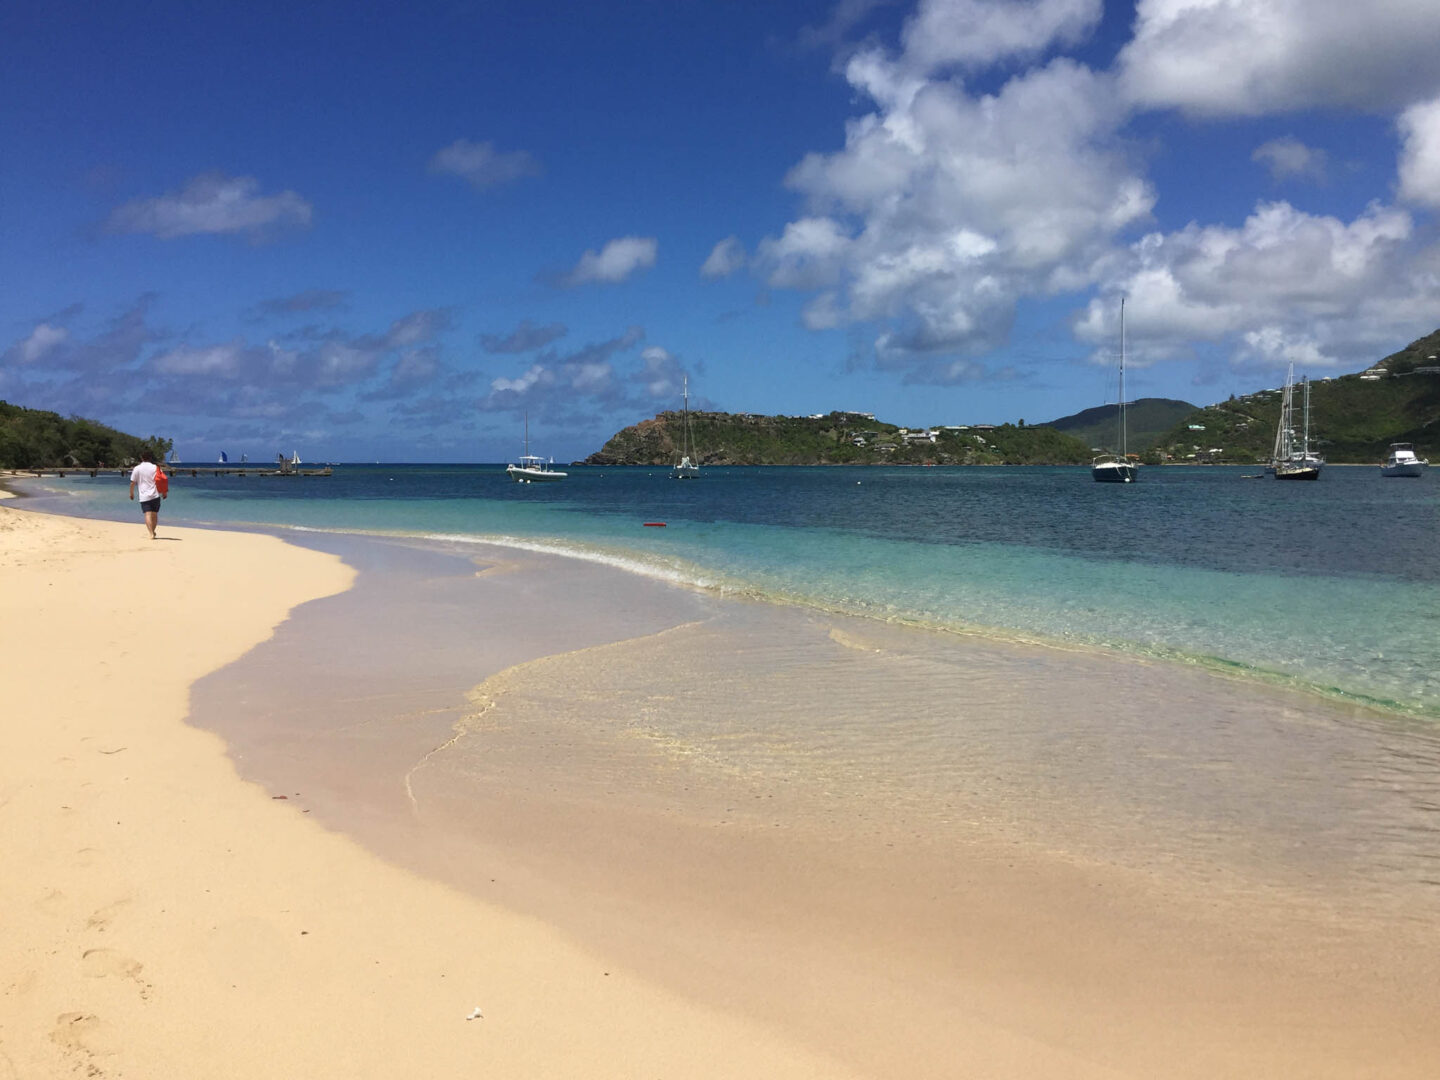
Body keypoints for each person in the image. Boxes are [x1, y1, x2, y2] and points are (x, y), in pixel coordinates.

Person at [129, 450, 166, 539]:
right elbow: (162, 480)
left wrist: (131, 493)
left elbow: (132, 482)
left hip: (144, 496)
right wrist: (164, 492)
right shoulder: (156, 467)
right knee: (154, 514)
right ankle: (153, 531)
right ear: (150, 458)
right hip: (155, 494)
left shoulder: (137, 468)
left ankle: (151, 533)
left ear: (141, 458)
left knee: (147, 514)